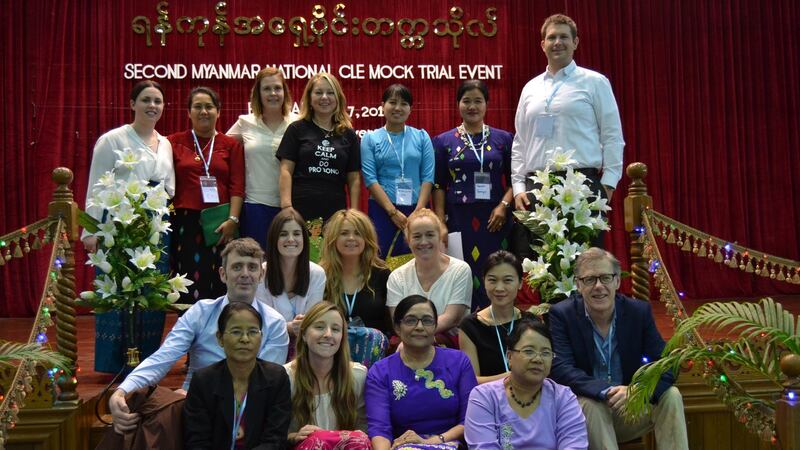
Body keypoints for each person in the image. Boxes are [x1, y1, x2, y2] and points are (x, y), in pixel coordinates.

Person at [108, 238, 289, 434]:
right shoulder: (200, 312)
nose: (245, 274)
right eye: (237, 267)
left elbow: (264, 381)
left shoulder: (275, 323)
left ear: (261, 275)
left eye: (252, 267)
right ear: (223, 274)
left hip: (248, 409)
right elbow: (164, 357)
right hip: (195, 405)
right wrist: (122, 390)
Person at [548, 247, 688, 450]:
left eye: (605, 278)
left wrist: (635, 391)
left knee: (671, 395)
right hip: (585, 414)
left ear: (617, 282)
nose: (599, 286)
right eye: (590, 279)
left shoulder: (638, 312)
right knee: (591, 405)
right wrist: (605, 391)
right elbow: (561, 369)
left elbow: (667, 364)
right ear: (578, 285)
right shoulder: (562, 315)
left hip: (630, 406)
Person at [510, 14, 624, 256]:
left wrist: (608, 184)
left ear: (575, 42)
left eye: (564, 37)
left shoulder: (595, 82)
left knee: (586, 265)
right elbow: (520, 142)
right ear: (543, 44)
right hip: (537, 188)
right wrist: (519, 186)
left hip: (582, 186)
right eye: (552, 37)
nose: (557, 42)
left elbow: (613, 136)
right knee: (542, 267)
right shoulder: (530, 88)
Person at [432, 80, 514, 310]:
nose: (472, 106)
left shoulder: (504, 139)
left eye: (478, 101)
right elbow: (438, 185)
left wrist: (504, 206)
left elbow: (515, 181)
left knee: (496, 268)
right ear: (458, 104)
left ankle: (497, 315)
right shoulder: (443, 141)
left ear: (487, 104)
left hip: (495, 218)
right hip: (459, 218)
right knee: (462, 270)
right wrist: (440, 222)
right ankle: (463, 321)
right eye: (466, 101)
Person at [365, 295, 477, 449]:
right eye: (411, 320)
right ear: (397, 327)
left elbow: (470, 420)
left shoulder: (458, 362)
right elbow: (380, 429)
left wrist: (432, 442)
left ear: (435, 326)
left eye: (427, 320)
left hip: (448, 444)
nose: (419, 327)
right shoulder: (380, 372)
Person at [464, 314, 588, 449]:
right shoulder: (484, 397)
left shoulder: (563, 398)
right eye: (529, 351)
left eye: (546, 353)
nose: (538, 359)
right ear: (509, 356)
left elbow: (574, 445)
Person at [168, 86, 245, 303]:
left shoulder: (231, 145)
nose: (204, 111)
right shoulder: (172, 142)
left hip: (220, 224)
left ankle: (220, 324)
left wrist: (233, 220)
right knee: (187, 281)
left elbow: (237, 186)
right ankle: (191, 324)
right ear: (188, 112)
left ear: (218, 112)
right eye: (198, 107)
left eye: (209, 107)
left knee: (219, 280)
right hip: (185, 223)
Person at [82, 80, 175, 255]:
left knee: (154, 271)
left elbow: (169, 190)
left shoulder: (166, 144)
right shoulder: (112, 140)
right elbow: (97, 187)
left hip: (154, 226)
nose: (152, 105)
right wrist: (90, 229)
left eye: (157, 101)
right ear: (132, 104)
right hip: (119, 222)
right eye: (145, 100)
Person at [183, 301, 291, 449]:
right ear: (220, 338)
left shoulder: (276, 378)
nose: (245, 339)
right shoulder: (203, 381)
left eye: (253, 332)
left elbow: (275, 440)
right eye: (236, 332)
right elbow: (197, 441)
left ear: (261, 337)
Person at [284, 301, 371, 449]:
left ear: (342, 337)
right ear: (303, 334)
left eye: (335, 329)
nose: (328, 334)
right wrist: (294, 437)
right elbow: (272, 435)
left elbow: (364, 431)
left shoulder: (358, 375)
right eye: (319, 327)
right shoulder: (285, 377)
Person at [361, 83, 435, 257]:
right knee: (382, 259)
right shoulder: (370, 138)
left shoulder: (422, 137)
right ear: (382, 106)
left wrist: (418, 211)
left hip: (417, 209)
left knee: (418, 259)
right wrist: (392, 212)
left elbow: (428, 177)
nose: (397, 108)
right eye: (392, 102)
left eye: (404, 104)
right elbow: (370, 179)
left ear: (411, 109)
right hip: (382, 210)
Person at [277, 72, 360, 223]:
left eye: (330, 93)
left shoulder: (349, 135)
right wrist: (286, 206)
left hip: (335, 213)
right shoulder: (296, 129)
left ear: (338, 98)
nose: (324, 97)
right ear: (309, 98)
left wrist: (354, 213)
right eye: (318, 92)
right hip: (299, 211)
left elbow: (354, 178)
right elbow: (286, 170)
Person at [227, 67, 295, 250]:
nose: (273, 93)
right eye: (267, 89)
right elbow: (220, 148)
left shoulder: (297, 123)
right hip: (255, 207)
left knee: (288, 262)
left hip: (290, 206)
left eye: (277, 88)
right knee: (256, 261)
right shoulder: (245, 122)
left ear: (284, 91)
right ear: (258, 93)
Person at [386, 209, 471, 342]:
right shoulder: (397, 276)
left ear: (440, 237)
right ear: (408, 240)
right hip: (410, 343)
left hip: (449, 346)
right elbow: (398, 321)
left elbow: (452, 318)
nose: (424, 242)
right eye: (417, 236)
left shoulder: (460, 270)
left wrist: (419, 333)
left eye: (430, 235)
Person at [256, 208, 326, 341]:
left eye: (296, 234)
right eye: (283, 234)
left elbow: (312, 321)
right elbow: (261, 323)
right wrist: (289, 327)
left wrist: (302, 325)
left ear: (304, 238)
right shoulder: (260, 273)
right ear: (274, 239)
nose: (291, 239)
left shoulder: (317, 274)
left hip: (306, 344)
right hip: (269, 343)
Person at [459, 250, 523, 384]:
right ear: (484, 281)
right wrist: (511, 377)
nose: (499, 288)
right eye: (492, 280)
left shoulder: (531, 323)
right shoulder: (470, 326)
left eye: (507, 280)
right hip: (487, 396)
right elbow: (471, 380)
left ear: (520, 283)